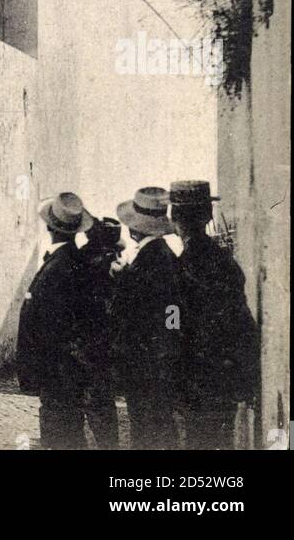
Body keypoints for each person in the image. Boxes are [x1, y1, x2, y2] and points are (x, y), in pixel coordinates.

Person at [169, 180, 259, 451]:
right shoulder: (226, 263)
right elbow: (242, 322)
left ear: (175, 220)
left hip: (195, 379)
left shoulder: (180, 269)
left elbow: (173, 323)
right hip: (224, 376)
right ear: (209, 215)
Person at [16, 192, 92, 450]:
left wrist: (36, 366)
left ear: (50, 227)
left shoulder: (60, 265)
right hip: (65, 368)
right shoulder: (75, 261)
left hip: (56, 368)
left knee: (60, 432)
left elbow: (51, 323)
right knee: (68, 429)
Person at [112, 186, 181, 450]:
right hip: (153, 357)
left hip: (148, 360)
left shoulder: (155, 258)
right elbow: (171, 310)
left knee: (149, 425)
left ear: (135, 227)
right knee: (155, 423)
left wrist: (165, 346)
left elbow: (171, 309)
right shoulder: (160, 255)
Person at [77, 216, 124, 449]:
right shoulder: (104, 266)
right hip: (101, 344)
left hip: (90, 345)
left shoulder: (84, 261)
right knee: (101, 406)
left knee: (95, 404)